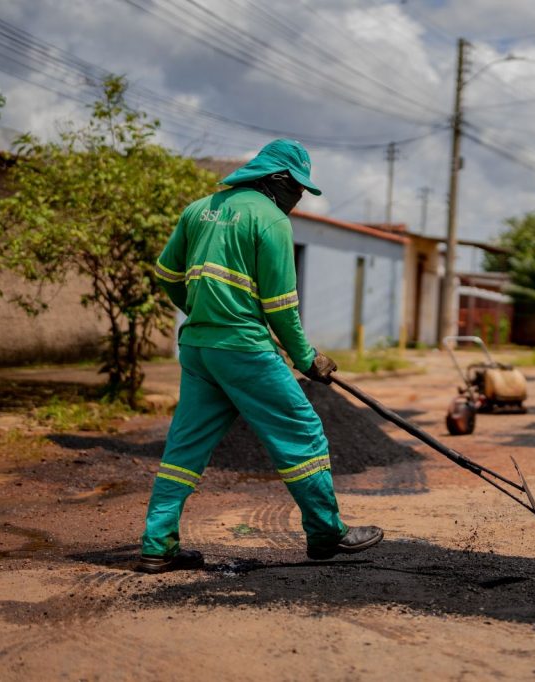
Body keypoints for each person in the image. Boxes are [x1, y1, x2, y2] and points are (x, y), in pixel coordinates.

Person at [136, 139, 383, 573]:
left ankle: (157, 544)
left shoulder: (198, 209)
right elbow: (282, 306)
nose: (299, 197)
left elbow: (167, 273)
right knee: (302, 432)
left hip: (198, 348)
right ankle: (326, 533)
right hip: (245, 349)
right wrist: (307, 359)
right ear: (277, 180)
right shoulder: (269, 220)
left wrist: (201, 311)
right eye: (298, 188)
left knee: (185, 447)